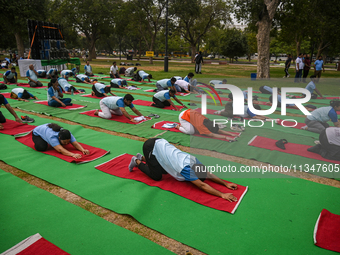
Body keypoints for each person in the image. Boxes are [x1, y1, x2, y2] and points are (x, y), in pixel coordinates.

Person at [128, 138, 238, 202]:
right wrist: (222, 194)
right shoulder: (186, 169)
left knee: (165, 170)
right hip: (151, 146)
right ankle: (137, 161)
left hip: (161, 143)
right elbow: (201, 185)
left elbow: (208, 174)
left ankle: (144, 158)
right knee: (157, 176)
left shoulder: (193, 160)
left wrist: (225, 183)